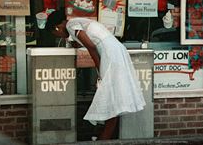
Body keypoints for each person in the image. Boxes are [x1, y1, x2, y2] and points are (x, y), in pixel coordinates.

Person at [45, 10, 146, 140]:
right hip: (115, 50)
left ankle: (103, 137)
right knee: (112, 95)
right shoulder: (76, 23)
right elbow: (87, 39)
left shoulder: (70, 25)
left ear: (57, 27)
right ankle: (104, 136)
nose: (59, 36)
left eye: (56, 34)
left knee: (110, 94)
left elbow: (91, 46)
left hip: (109, 53)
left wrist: (99, 70)